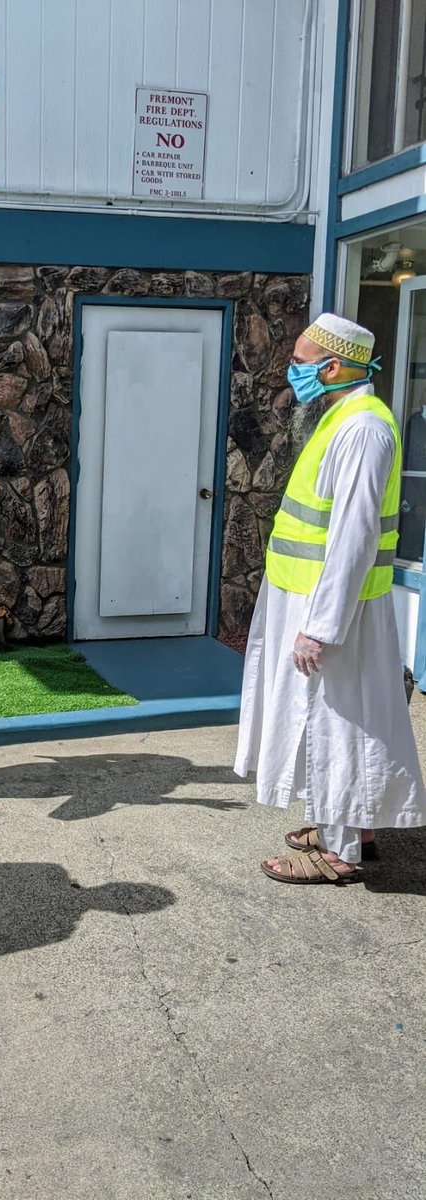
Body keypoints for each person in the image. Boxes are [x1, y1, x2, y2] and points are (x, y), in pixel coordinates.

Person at [234, 313, 426, 883]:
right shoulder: (345, 417)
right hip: (318, 599)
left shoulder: (363, 428)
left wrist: (321, 626)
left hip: (332, 608)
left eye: (299, 360)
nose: (292, 370)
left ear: (334, 365)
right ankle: (352, 823)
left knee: (334, 724)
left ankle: (340, 852)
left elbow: (353, 535)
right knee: (349, 719)